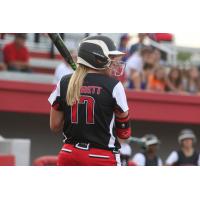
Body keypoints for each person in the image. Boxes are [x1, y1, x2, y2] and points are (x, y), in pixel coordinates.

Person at [48, 35, 131, 166]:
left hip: (69, 154)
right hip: (101, 157)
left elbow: (55, 126)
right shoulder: (114, 85)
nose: (115, 63)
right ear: (97, 58)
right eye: (111, 58)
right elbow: (124, 133)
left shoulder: (65, 82)